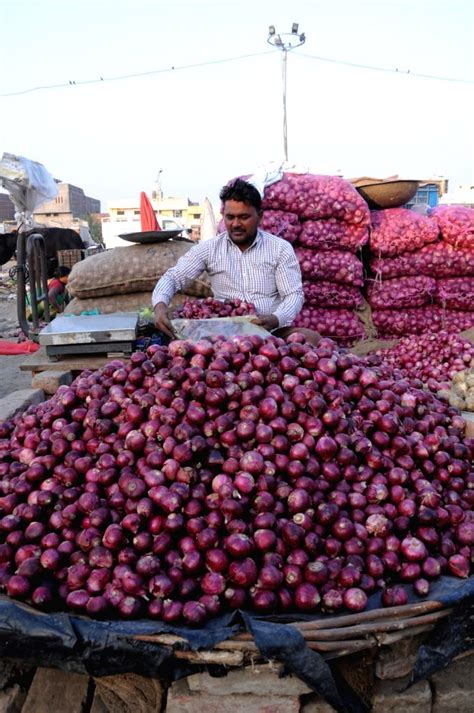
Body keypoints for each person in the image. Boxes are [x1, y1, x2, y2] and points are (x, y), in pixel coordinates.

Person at [153, 178, 318, 343]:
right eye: (230, 217)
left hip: (270, 331)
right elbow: (173, 277)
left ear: (259, 217)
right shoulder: (210, 248)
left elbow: (293, 295)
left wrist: (276, 318)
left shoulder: (279, 248)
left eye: (244, 217)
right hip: (222, 334)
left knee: (311, 338)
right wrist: (160, 307)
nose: (236, 224)